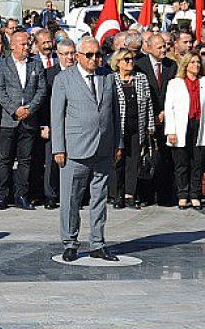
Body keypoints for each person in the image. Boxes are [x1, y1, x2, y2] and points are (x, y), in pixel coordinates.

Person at [51, 36, 123, 262]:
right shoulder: (64, 79)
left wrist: (118, 143)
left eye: (98, 55)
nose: (95, 59)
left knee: (100, 198)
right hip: (75, 149)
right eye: (89, 55)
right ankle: (70, 242)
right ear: (78, 56)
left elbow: (116, 115)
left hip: (103, 147)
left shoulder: (108, 77)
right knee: (71, 198)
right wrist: (58, 148)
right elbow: (57, 116)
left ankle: (98, 243)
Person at [0, 31, 47, 210]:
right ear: (13, 45)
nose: (26, 47)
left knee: (25, 160)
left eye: (27, 44)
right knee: (5, 160)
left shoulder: (36, 65)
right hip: (9, 120)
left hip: (29, 120)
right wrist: (14, 110)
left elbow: (41, 90)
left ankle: (21, 195)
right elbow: (0, 91)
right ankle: (2, 195)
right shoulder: (2, 65)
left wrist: (30, 109)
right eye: (22, 44)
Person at [134, 34, 177, 206]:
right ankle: (146, 195)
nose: (163, 50)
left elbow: (174, 91)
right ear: (148, 47)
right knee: (147, 158)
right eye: (159, 47)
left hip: (167, 118)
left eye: (164, 46)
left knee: (166, 158)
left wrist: (165, 112)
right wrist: (151, 116)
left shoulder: (171, 65)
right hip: (147, 120)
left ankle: (165, 196)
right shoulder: (140, 65)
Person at [109, 49, 154, 210]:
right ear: (118, 62)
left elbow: (148, 104)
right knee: (117, 161)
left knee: (133, 161)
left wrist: (150, 126)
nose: (130, 62)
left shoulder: (141, 78)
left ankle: (130, 194)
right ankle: (116, 194)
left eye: (132, 59)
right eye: (126, 59)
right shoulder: (111, 79)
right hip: (118, 128)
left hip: (137, 126)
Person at [39, 38, 77, 209]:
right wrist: (44, 124)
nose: (69, 57)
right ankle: (50, 195)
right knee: (52, 160)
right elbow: (43, 103)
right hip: (53, 124)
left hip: (74, 125)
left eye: (72, 54)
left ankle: (71, 194)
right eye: (65, 54)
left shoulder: (79, 73)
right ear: (58, 55)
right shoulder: (49, 74)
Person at [164, 53, 205, 209]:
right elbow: (169, 108)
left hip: (199, 125)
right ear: (186, 65)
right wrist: (171, 131)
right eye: (192, 62)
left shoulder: (203, 82)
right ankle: (182, 194)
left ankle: (194, 194)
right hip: (181, 126)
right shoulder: (175, 83)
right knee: (181, 162)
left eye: (198, 62)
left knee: (197, 161)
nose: (196, 65)